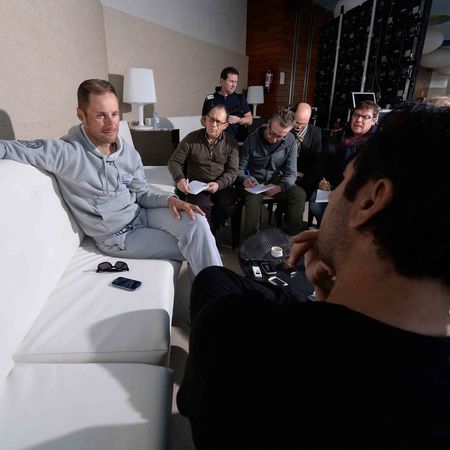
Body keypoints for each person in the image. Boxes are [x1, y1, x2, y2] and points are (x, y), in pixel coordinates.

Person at [177, 102, 450, 449]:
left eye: (344, 180)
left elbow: (190, 407)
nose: (332, 194)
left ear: (369, 202)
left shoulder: (230, 329)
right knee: (214, 276)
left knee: (213, 286)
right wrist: (325, 293)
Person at [0, 79, 222, 275]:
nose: (111, 123)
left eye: (114, 114)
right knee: (197, 246)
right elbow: (9, 147)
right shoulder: (66, 153)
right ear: (81, 115)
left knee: (198, 224)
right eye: (101, 115)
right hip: (120, 237)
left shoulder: (128, 153)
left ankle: (214, 297)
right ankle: (216, 300)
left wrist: (170, 200)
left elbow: (142, 194)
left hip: (142, 214)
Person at [168, 105, 238, 232]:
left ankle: (211, 227)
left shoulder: (231, 143)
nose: (213, 125)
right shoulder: (191, 138)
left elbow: (232, 171)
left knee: (229, 206)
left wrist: (219, 184)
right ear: (206, 119)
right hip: (197, 185)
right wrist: (179, 179)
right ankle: (209, 238)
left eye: (218, 122)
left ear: (225, 125)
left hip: (220, 184)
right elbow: (174, 161)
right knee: (200, 210)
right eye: (211, 119)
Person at [309, 99, 379, 225]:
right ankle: (327, 230)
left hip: (361, 189)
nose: (358, 120)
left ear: (374, 120)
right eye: (356, 115)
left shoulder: (377, 142)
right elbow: (321, 161)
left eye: (365, 117)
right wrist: (322, 179)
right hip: (334, 184)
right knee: (316, 204)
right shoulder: (339, 136)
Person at [237, 110, 306, 238]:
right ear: (268, 124)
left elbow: (291, 172)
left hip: (275, 180)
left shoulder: (291, 140)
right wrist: (245, 179)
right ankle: (251, 242)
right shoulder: (252, 139)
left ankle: (294, 238)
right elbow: (239, 169)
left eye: (280, 137)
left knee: (299, 194)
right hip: (253, 181)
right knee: (254, 199)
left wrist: (281, 187)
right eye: (272, 133)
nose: (274, 139)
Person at [201, 66, 253, 142]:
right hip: (216, 142)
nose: (234, 85)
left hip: (236, 142)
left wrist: (239, 119)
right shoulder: (210, 99)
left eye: (236, 82)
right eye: (231, 81)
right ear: (222, 81)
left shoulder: (240, 98)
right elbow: (203, 119)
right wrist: (213, 125)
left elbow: (250, 120)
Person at [292, 102, 323, 199]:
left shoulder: (315, 132)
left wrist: (305, 175)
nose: (299, 126)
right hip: (286, 173)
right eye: (297, 122)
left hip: (305, 175)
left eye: (304, 124)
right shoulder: (286, 129)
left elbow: (317, 160)